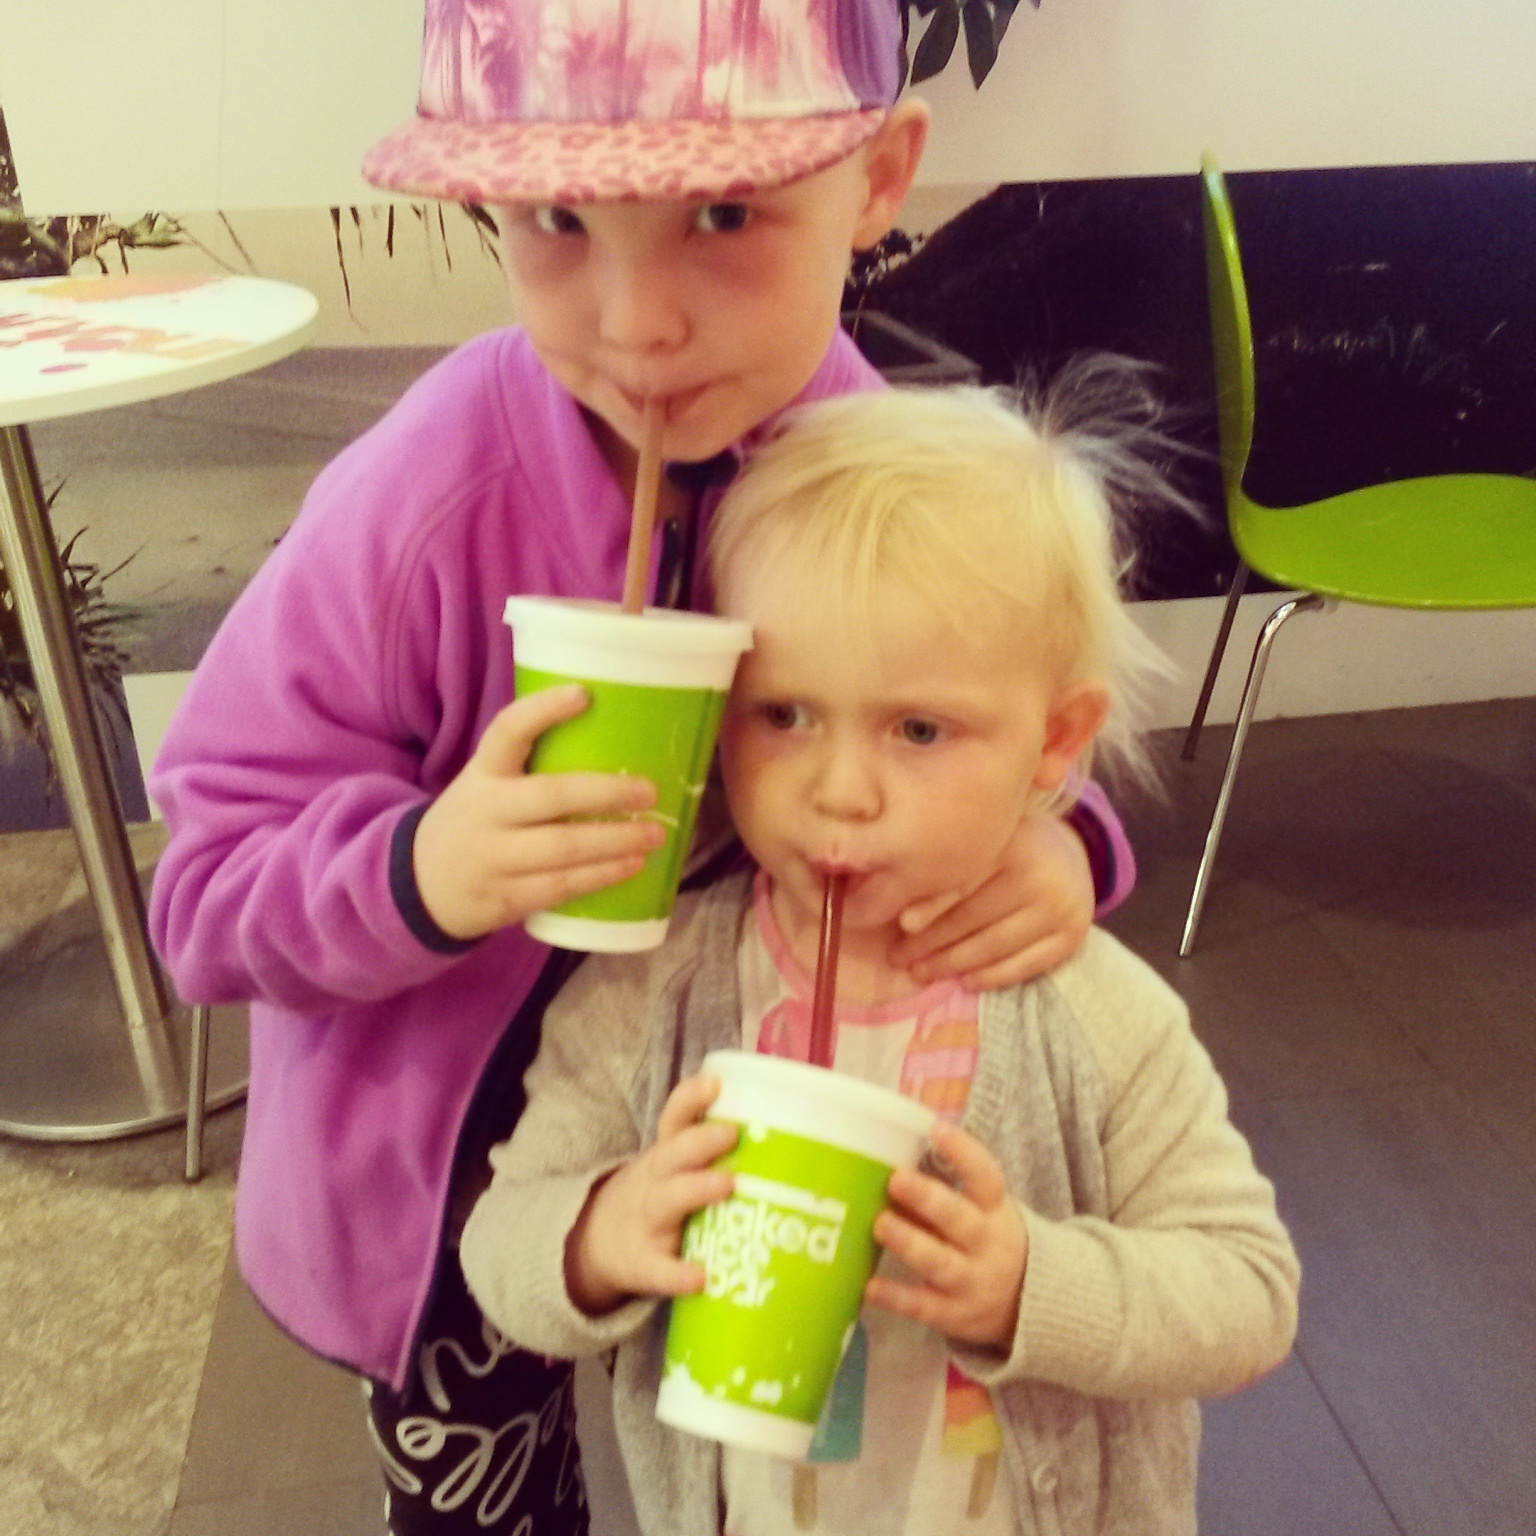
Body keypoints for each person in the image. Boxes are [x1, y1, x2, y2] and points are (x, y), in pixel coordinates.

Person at [147, 3, 1137, 1532]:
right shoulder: (422, 500)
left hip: (756, 1153)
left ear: (878, 181)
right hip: (446, 1202)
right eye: (558, 221)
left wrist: (1065, 842)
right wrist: (420, 873)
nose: (638, 324)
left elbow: (1010, 708)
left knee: (756, 1491)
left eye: (723, 215)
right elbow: (204, 893)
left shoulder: (882, 478)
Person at [459, 379, 1301, 1536]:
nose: (840, 791)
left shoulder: (1097, 1020)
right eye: (784, 715)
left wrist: (1027, 1286)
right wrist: (603, 1233)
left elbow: (1249, 1292)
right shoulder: (652, 993)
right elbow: (500, 1241)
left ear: (1054, 740)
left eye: (917, 729)